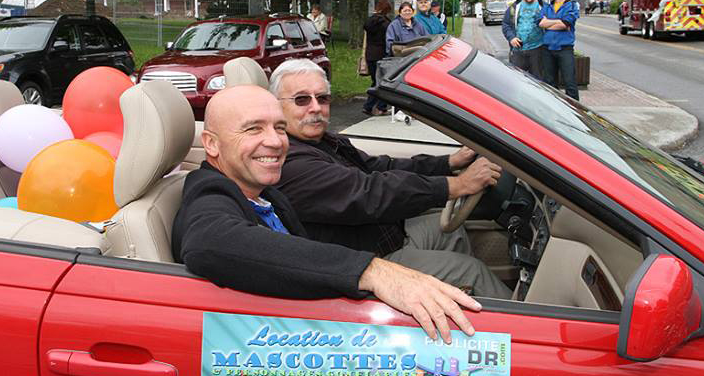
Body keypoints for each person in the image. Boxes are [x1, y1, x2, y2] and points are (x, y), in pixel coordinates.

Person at [171, 85, 485, 343]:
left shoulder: (264, 192)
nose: (275, 141)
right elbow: (208, 241)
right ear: (212, 144)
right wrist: (374, 271)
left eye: (279, 128)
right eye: (253, 129)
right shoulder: (208, 192)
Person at [270, 60, 511, 299]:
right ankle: (519, 322)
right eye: (302, 99)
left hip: (382, 237)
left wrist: (449, 162)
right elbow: (369, 192)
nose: (315, 107)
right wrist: (456, 185)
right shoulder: (290, 161)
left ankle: (458, 306)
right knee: (472, 272)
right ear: (275, 106)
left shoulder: (326, 141)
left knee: (447, 231)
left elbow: (380, 167)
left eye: (322, 98)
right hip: (365, 264)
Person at [537, 0, 580, 100]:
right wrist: (558, 22)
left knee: (569, 81)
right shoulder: (546, 7)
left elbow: (566, 23)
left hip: (564, 49)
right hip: (547, 49)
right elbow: (540, 23)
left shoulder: (571, 6)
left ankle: (574, 108)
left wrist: (549, 24)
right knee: (550, 83)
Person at [501, 0, 545, 78]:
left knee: (538, 80)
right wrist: (511, 38)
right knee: (517, 79)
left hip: (537, 49)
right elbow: (506, 24)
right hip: (518, 49)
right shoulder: (514, 7)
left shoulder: (544, 7)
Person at [362, 0, 392, 116]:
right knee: (384, 82)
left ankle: (369, 106)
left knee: (375, 81)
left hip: (370, 54)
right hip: (381, 54)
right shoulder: (386, 23)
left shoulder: (369, 21)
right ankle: (379, 106)